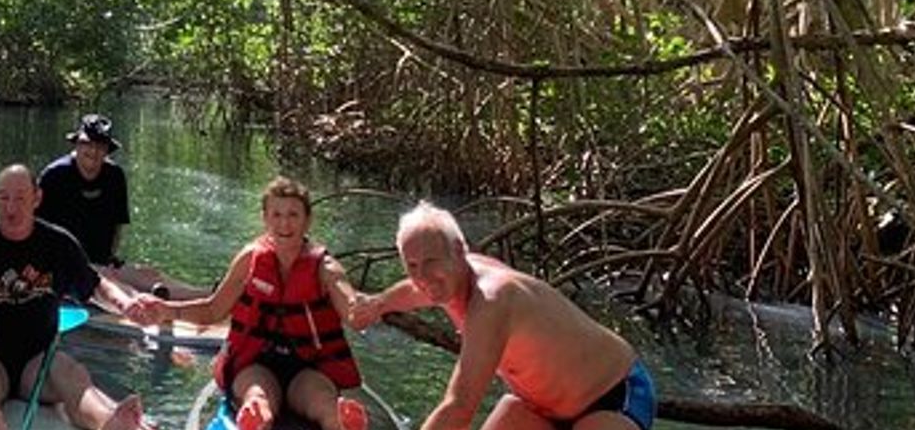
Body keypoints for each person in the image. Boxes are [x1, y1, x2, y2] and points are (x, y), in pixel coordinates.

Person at [347, 203, 656, 430]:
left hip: (612, 395)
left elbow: (460, 406)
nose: (422, 275)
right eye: (412, 265)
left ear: (459, 250)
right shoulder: (448, 278)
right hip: (538, 409)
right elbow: (414, 291)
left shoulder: (492, 299)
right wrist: (378, 304)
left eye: (430, 261)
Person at [127, 177, 365, 430]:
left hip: (308, 367)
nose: (284, 223)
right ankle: (255, 417)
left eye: (293, 214)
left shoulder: (325, 268)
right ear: (265, 218)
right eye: (276, 214)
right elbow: (213, 310)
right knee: (258, 397)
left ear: (307, 220)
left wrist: (365, 307)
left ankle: (340, 422)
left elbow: (351, 306)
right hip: (256, 362)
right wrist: (166, 310)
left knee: (322, 402)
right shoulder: (249, 260)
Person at [0, 164, 148, 430]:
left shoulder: (58, 244)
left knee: (72, 374)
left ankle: (108, 422)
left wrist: (124, 304)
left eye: (20, 198)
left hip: (39, 362)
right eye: (4, 198)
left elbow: (95, 286)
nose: (11, 208)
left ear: (37, 198)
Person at [36, 114, 131, 270]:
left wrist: (108, 260)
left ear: (107, 150)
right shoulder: (54, 176)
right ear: (77, 145)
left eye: (100, 146)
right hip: (58, 262)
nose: (93, 151)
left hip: (101, 264)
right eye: (87, 144)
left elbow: (118, 225)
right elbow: (35, 223)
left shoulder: (115, 177)